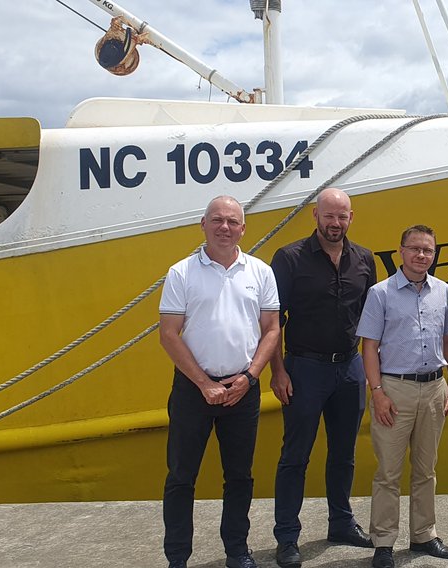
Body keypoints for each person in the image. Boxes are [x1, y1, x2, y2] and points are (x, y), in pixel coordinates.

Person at [158, 195, 281, 568]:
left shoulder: (260, 272)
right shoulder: (181, 273)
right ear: (203, 224)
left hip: (242, 391)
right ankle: (177, 556)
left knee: (240, 476)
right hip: (193, 391)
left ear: (243, 228)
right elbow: (169, 334)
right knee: (181, 476)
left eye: (232, 221)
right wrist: (203, 383)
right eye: (217, 220)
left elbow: (272, 330)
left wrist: (250, 376)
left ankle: (237, 550)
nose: (224, 227)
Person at [269, 188, 377, 568]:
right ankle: (286, 537)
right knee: (295, 456)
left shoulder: (364, 259)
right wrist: (277, 371)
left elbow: (372, 323)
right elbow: (271, 322)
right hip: (304, 368)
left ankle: (341, 523)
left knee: (344, 454)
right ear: (315, 215)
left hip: (349, 368)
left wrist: (371, 374)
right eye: (329, 216)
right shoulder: (289, 258)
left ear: (351, 218)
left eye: (342, 217)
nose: (335, 223)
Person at [356, 224, 448, 568]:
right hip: (394, 389)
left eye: (427, 250)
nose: (421, 255)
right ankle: (384, 542)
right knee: (388, 471)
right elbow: (368, 347)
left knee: (425, 469)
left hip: (434, 388)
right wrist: (378, 392)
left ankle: (423, 535)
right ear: (401, 251)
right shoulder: (380, 293)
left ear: (434, 254)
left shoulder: (443, 291)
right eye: (415, 249)